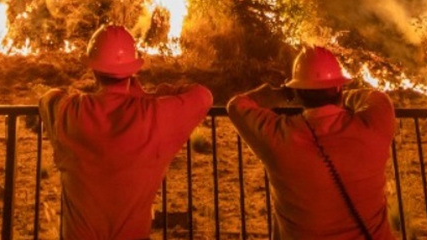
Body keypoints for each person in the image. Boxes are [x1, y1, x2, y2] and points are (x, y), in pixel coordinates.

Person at [39, 24, 213, 239]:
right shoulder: (154, 115)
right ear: (133, 70)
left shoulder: (72, 112)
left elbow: (48, 98)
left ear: (93, 69)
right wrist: (150, 96)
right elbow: (203, 95)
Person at [227, 46, 396, 240]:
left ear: (297, 92)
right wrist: (340, 97)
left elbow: (236, 105)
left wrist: (284, 94)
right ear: (339, 88)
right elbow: (377, 98)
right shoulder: (374, 126)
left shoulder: (278, 137)